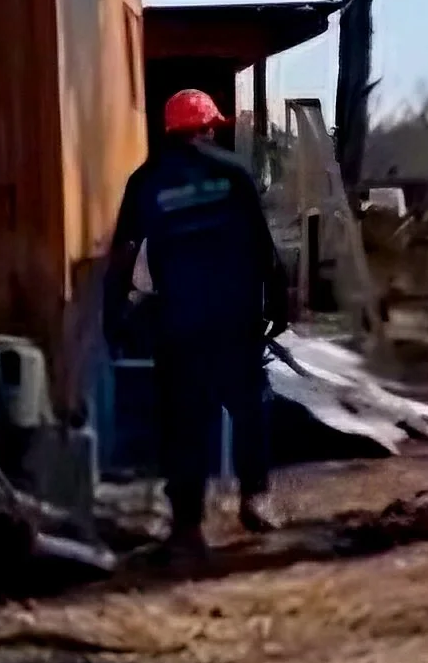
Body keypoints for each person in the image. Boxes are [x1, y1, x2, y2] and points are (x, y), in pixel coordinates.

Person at [105, 86, 291, 556]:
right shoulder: (233, 173)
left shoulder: (146, 180)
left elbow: (125, 250)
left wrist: (117, 312)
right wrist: (280, 302)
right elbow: (262, 245)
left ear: (170, 130)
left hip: (179, 322)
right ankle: (255, 498)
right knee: (249, 407)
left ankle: (187, 524)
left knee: (183, 421)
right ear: (207, 126)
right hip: (235, 315)